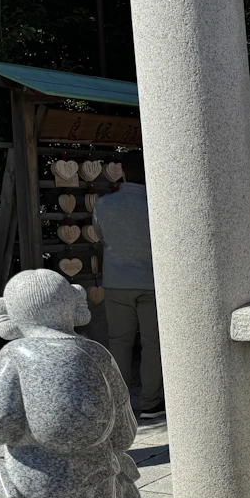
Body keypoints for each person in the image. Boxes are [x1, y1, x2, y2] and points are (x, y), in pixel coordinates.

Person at [93, 150, 165, 419]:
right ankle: (150, 403)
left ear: (122, 172)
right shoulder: (158, 203)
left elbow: (101, 237)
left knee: (119, 342)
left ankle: (121, 406)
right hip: (152, 281)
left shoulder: (103, 205)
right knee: (153, 344)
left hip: (117, 280)